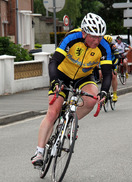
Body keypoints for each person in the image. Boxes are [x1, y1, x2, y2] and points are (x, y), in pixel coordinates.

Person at [31, 13, 112, 167]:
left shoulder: (104, 46)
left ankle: (68, 122)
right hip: (62, 74)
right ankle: (39, 152)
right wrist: (55, 81)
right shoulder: (72, 38)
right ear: (84, 33)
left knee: (92, 99)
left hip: (84, 77)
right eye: (93, 37)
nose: (97, 41)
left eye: (100, 37)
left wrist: (104, 91)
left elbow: (107, 73)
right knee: (53, 111)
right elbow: (54, 62)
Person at [99, 35, 119, 101]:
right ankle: (104, 89)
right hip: (104, 61)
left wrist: (114, 64)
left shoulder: (113, 47)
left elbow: (117, 58)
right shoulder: (101, 45)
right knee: (101, 74)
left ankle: (115, 93)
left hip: (113, 61)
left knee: (113, 76)